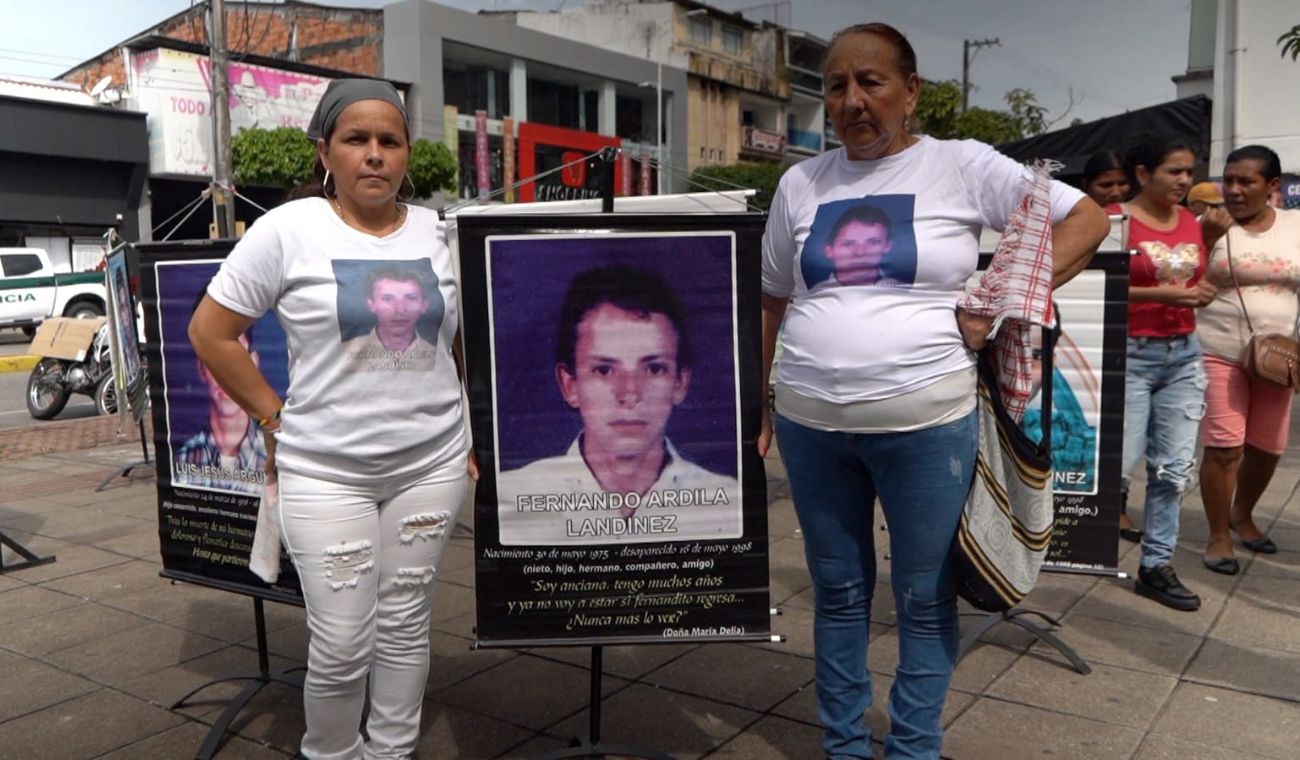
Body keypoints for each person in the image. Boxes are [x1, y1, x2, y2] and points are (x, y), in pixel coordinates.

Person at [760, 22, 1108, 759]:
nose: (852, 101)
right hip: (809, 425)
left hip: (928, 424)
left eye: (872, 82)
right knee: (840, 593)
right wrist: (750, 403)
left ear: (911, 92)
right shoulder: (801, 182)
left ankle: (914, 745)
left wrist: (1008, 293)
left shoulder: (962, 165)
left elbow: (1087, 218)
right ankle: (845, 745)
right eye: (836, 85)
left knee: (922, 595)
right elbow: (771, 300)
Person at [188, 78, 473, 760]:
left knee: (405, 625)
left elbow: (464, 343)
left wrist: (476, 426)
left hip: (430, 467)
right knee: (342, 639)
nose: (373, 155)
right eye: (356, 140)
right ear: (326, 151)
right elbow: (211, 332)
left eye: (389, 141)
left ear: (406, 154)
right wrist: (274, 418)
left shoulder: (445, 234)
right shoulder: (288, 231)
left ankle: (392, 753)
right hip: (326, 472)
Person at [496, 265, 740, 545]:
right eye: (603, 370)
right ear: (570, 385)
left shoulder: (725, 505)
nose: (630, 394)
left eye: (654, 369)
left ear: (680, 383)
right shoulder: (512, 499)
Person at [1108, 133, 1217, 612]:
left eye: (1189, 171)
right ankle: (1062, 546)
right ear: (1142, 174)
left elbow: (1193, 279)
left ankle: (1156, 565)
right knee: (1118, 466)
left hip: (1184, 355)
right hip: (1131, 356)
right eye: (1174, 171)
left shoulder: (1192, 220)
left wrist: (1201, 292)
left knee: (1173, 471)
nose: (1185, 180)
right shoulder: (1117, 222)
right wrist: (1167, 297)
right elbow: (1100, 288)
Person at [1197, 145, 1299, 573]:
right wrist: (1206, 243)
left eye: (1246, 181)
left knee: (1268, 448)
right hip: (1217, 348)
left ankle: (1244, 514)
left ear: (1272, 186)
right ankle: (1219, 535)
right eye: (1229, 180)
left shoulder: (1295, 226)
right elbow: (1180, 279)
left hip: (1279, 357)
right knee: (1225, 448)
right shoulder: (1208, 224)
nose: (1234, 190)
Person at [176, 293, 268, 495]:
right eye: (216, 358)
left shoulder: (277, 451)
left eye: (236, 356)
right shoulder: (184, 460)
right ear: (201, 369)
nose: (227, 372)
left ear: (254, 361)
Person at [341, 266, 439, 372]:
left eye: (411, 298)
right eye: (388, 299)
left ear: (424, 305)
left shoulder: (437, 357)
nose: (400, 309)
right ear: (371, 304)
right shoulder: (343, 353)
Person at [821, 204, 898, 287]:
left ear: (887, 246)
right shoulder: (813, 295)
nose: (860, 252)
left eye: (873, 243)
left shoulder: (904, 294)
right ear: (829, 250)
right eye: (848, 244)